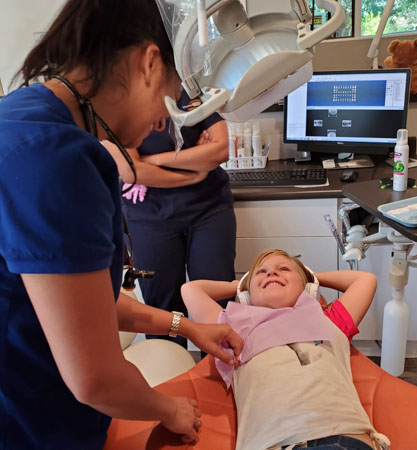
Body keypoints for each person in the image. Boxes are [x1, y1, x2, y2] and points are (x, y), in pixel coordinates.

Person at [0, 1, 243, 449]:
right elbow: (95, 380)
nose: (163, 121)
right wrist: (170, 408)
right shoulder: (56, 159)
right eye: (170, 97)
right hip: (30, 426)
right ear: (148, 63)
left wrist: (187, 327)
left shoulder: (22, 116)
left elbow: (86, 302)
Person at [181, 249, 391, 450]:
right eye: (261, 272)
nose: (271, 272)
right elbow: (190, 290)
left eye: (284, 269)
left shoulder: (328, 319)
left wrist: (313, 277)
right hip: (272, 444)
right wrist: (238, 285)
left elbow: (365, 280)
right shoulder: (232, 328)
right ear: (247, 295)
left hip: (345, 437)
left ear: (308, 288)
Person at [103, 89, 236, 348]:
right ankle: (172, 375)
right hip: (150, 216)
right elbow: (131, 171)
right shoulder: (116, 100)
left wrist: (153, 160)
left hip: (209, 208)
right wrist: (194, 171)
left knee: (217, 298)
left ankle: (223, 376)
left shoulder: (192, 90)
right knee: (162, 306)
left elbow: (220, 150)